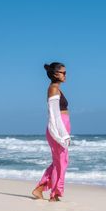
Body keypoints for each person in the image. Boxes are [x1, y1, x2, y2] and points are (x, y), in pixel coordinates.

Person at [32, 62, 71, 201]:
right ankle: (55, 193)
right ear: (55, 74)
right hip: (58, 129)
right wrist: (63, 135)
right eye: (63, 73)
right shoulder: (53, 89)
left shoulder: (57, 89)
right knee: (61, 162)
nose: (65, 75)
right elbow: (54, 115)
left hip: (61, 128)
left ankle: (40, 189)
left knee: (59, 162)